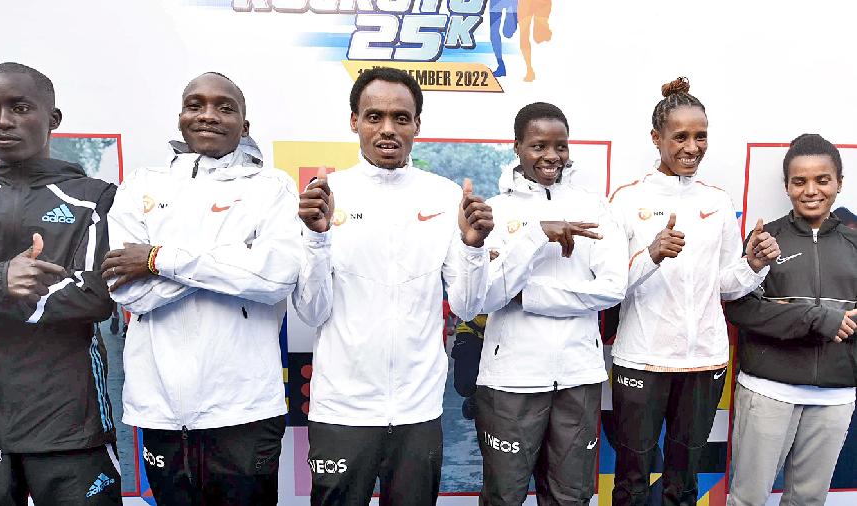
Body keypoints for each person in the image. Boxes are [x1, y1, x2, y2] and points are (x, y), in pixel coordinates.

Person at [293, 67, 493, 506]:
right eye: (374, 116)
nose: (388, 129)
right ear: (354, 122)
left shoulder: (443, 196)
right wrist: (317, 238)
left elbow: (466, 303)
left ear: (417, 125)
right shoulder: (327, 195)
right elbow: (310, 312)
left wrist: (473, 247)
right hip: (342, 411)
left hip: (418, 410)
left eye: (401, 118)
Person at [104, 72, 303, 505]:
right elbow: (128, 291)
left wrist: (159, 259)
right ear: (180, 117)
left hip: (245, 407)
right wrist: (236, 258)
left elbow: (275, 278)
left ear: (244, 126)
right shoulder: (141, 184)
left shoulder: (272, 187)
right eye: (195, 105)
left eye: (224, 107)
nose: (208, 115)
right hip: (159, 404)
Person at [608, 77, 780, 506]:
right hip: (643, 358)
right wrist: (651, 254)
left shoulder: (718, 202)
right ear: (656, 138)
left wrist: (753, 265)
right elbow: (608, 285)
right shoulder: (627, 200)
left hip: (704, 360)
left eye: (700, 136)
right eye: (680, 136)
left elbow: (723, 284)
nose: (692, 146)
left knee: (684, 481)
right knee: (630, 479)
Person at [0, 62, 120, 505]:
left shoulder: (96, 197)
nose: (3, 121)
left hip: (70, 429)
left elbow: (95, 295)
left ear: (53, 118)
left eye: (20, 107)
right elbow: (30, 287)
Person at [474, 102, 627, 505]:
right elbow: (487, 297)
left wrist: (528, 296)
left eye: (560, 146)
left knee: (570, 497)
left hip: (579, 374)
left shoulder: (594, 207)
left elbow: (612, 289)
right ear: (518, 147)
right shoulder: (496, 210)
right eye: (538, 145)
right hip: (511, 379)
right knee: (503, 496)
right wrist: (535, 235)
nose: (551, 156)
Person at [725, 134, 857, 506]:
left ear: (839, 184)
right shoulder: (766, 240)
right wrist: (817, 319)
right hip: (769, 393)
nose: (811, 190)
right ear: (787, 186)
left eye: (822, 180)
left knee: (808, 501)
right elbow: (740, 308)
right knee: (748, 499)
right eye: (800, 181)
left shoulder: (854, 243)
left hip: (836, 395)